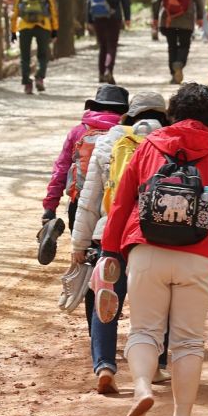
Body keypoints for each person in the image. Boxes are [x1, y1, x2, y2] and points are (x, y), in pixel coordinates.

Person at [101, 83, 208, 416]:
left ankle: (143, 387)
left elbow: (121, 204)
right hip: (200, 257)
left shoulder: (149, 147)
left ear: (174, 113)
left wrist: (111, 251)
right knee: (187, 342)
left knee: (143, 331)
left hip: (146, 251)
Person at [71, 92, 170, 394]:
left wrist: (79, 244)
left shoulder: (106, 144)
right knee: (155, 305)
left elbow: (89, 201)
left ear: (130, 116)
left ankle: (104, 365)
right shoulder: (169, 143)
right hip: (153, 234)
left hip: (109, 233)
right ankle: (154, 365)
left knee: (107, 300)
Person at [43, 84, 129, 330]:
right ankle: (107, 317)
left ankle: (94, 326)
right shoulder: (126, 134)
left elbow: (60, 169)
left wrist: (49, 206)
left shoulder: (78, 132)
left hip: (79, 205)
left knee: (89, 260)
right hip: (113, 208)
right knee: (112, 265)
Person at [10, 0, 59, 94]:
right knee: (43, 55)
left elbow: (15, 12)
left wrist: (13, 31)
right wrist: (55, 29)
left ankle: (27, 84)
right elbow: (53, 11)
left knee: (25, 56)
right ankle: (39, 78)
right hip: (43, 25)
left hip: (24, 26)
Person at [152, 0, 204, 84]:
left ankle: (173, 74)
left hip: (168, 18)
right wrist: (200, 16)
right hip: (186, 19)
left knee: (172, 46)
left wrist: (155, 17)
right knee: (184, 45)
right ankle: (179, 62)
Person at [87, 0, 131, 84]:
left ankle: (101, 74)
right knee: (111, 45)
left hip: (97, 17)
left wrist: (89, 19)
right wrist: (127, 17)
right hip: (114, 16)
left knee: (102, 45)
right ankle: (108, 70)